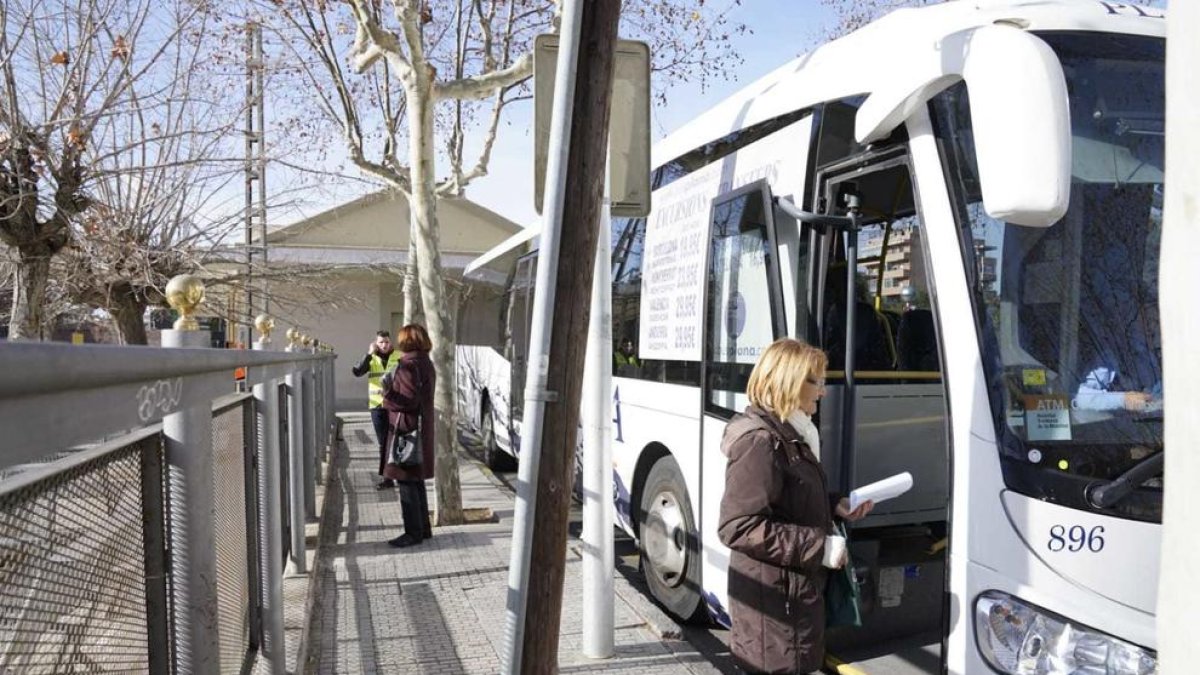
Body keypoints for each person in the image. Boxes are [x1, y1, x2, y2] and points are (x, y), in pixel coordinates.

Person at [718, 338, 873, 674]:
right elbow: (738, 526)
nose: (823, 391)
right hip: (775, 607)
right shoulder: (761, 441)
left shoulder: (792, 432)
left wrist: (835, 506)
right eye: (816, 382)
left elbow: (788, 501)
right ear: (788, 381)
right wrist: (820, 548)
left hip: (790, 599)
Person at [381, 324, 436, 548]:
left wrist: (387, 394)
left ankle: (412, 532)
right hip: (422, 426)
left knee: (405, 478)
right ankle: (422, 529)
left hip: (407, 428)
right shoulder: (425, 362)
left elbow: (407, 400)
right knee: (416, 479)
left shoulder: (407, 365)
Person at [351, 330, 403, 489]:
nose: (384, 345)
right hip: (377, 406)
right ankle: (387, 478)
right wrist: (368, 354)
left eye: (386, 342)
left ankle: (400, 475)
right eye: (381, 342)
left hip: (395, 405)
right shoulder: (371, 358)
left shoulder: (399, 356)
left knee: (397, 441)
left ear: (391, 342)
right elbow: (357, 372)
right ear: (376, 343)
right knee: (383, 443)